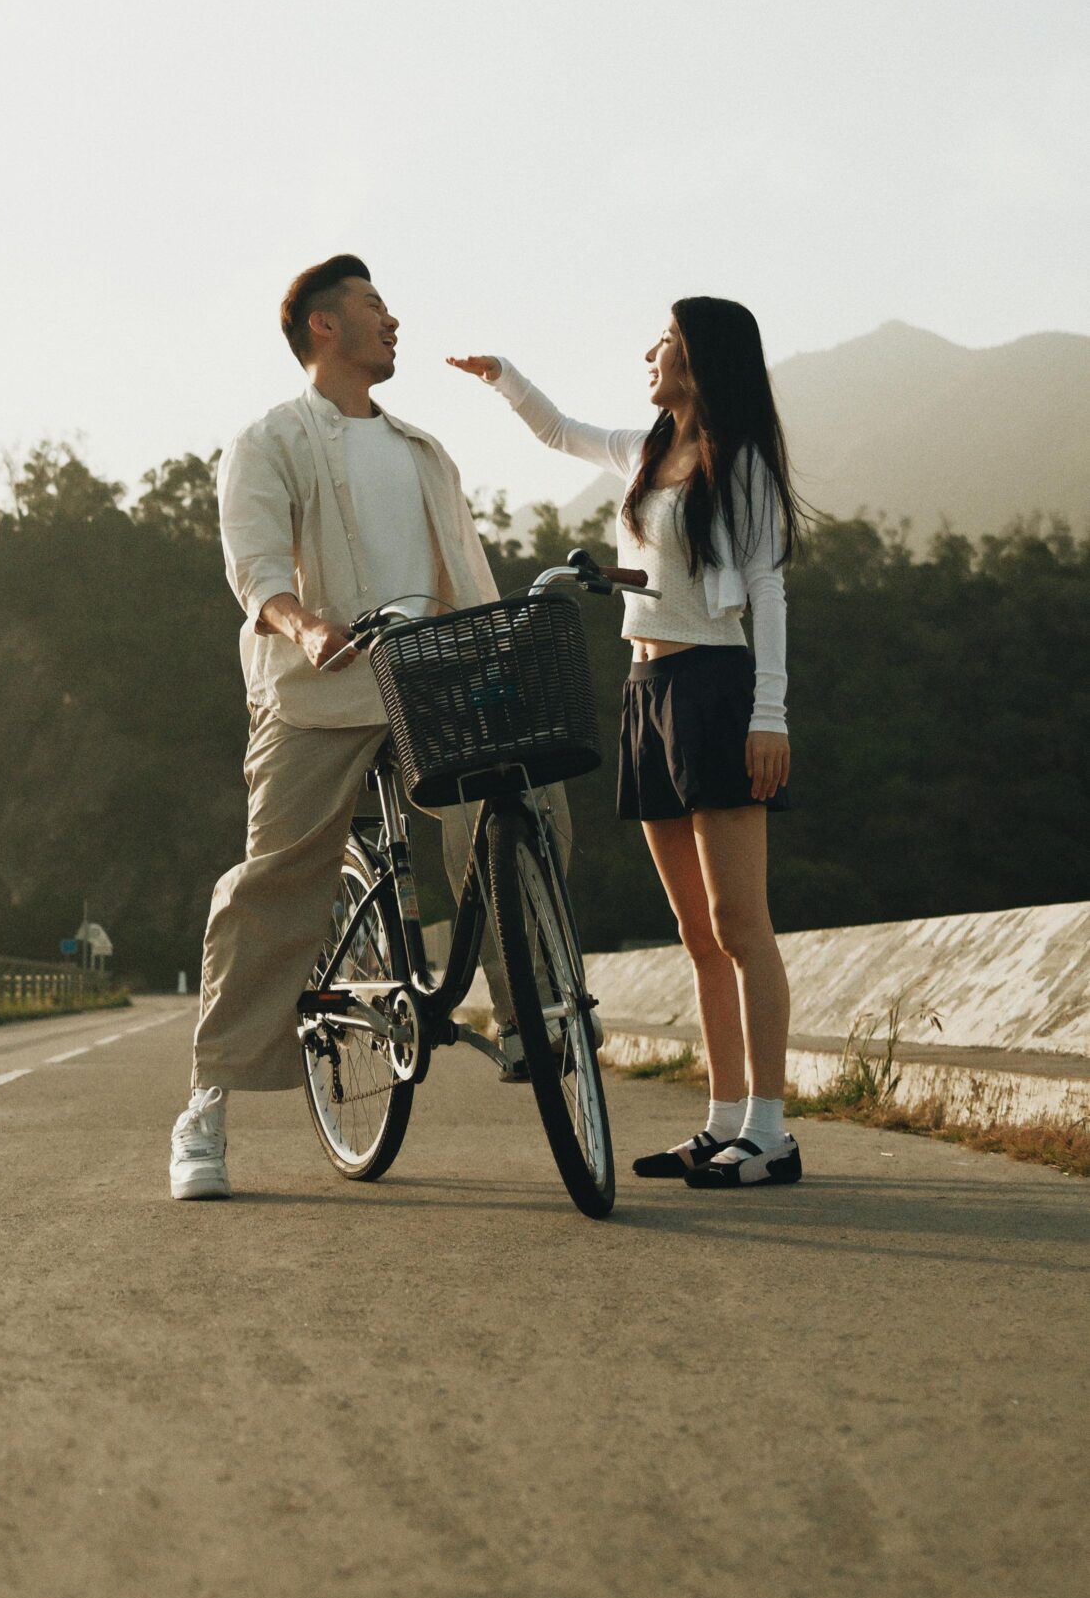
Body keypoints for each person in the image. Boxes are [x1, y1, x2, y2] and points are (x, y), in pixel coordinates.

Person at [169, 254, 571, 1200]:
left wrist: (497, 657)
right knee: (277, 875)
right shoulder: (269, 439)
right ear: (323, 327)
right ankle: (206, 1106)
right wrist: (307, 625)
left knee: (524, 810)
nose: (393, 322)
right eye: (374, 307)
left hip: (432, 682)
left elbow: (465, 580)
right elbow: (254, 566)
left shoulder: (421, 449)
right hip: (318, 689)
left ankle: (530, 1021)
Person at [449, 298, 806, 1189]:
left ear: (699, 358)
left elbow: (766, 589)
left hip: (718, 689)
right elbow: (560, 432)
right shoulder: (648, 451)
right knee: (692, 930)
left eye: (665, 341)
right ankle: (723, 1120)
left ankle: (772, 1132)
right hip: (646, 691)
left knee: (739, 925)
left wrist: (771, 714)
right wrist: (503, 379)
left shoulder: (742, 461)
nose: (649, 351)